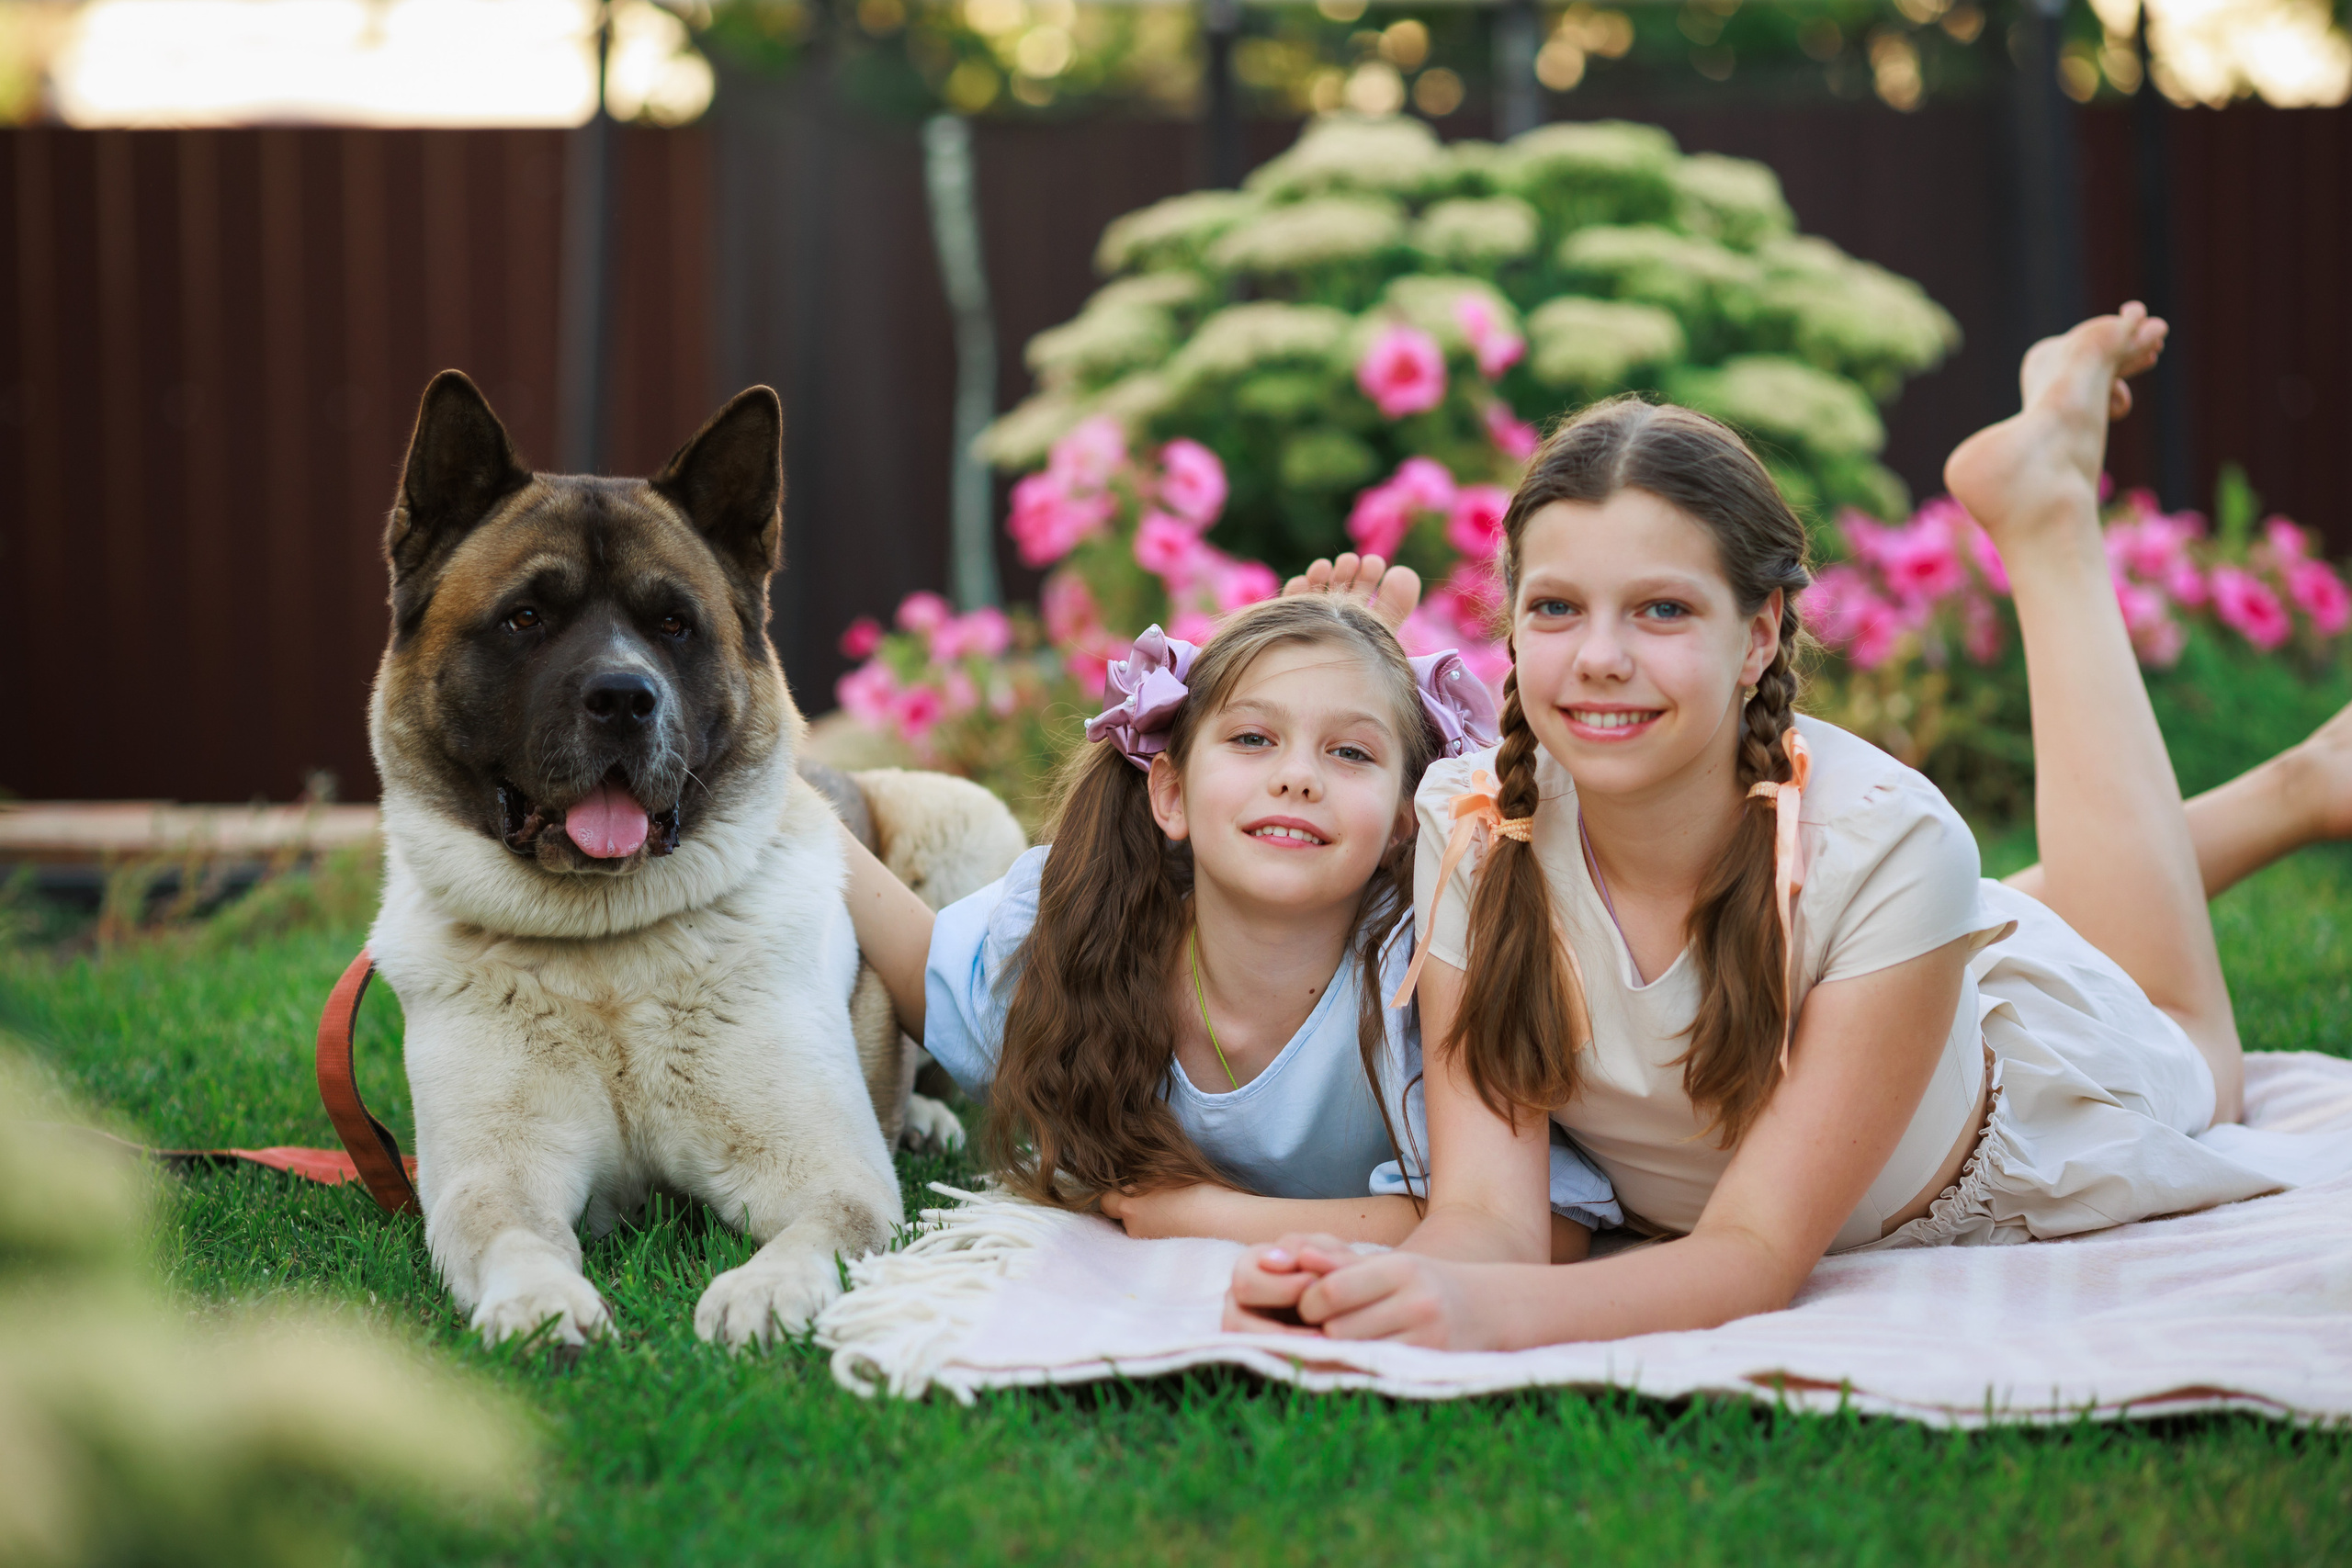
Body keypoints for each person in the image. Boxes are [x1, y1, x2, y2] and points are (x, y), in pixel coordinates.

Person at [1225, 304, 2352, 1347]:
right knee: (1924, 898)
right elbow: (1487, 1220)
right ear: (1510, 625)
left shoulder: (1890, 842)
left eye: (1662, 609)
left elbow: (1753, 1255)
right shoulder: (1472, 824)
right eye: (1556, 607)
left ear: (1759, 633)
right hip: (1883, 929)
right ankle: (2286, 782)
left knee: (2192, 1035)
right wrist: (1375, 1284)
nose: (1600, 656)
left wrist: (1486, 1315)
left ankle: (2056, 524)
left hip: (2027, 1102)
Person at [841, 589, 1620, 1252]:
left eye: (1351, 752)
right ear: (1171, 793)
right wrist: (800, 811)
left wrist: (1213, 1217)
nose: (1298, 777)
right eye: (1252, 738)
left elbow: (1544, 1225)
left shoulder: (1426, 978)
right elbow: (928, 979)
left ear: (1403, 821)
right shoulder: (1097, 930)